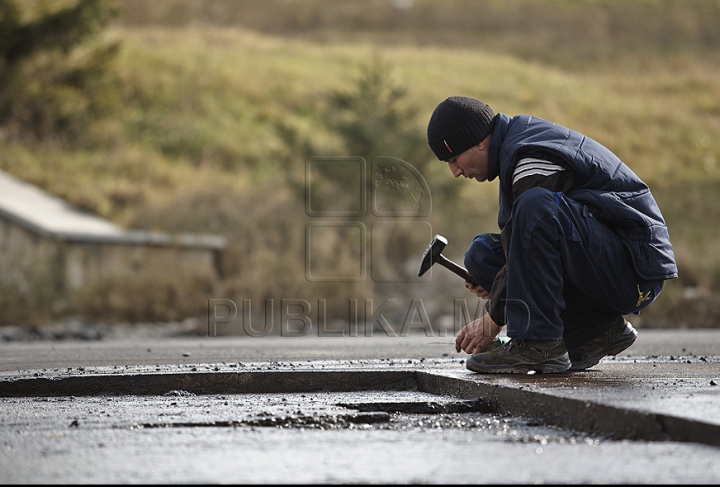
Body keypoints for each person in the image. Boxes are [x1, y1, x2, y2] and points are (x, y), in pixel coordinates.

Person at [426, 96, 678, 373]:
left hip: (635, 270)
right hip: (603, 259)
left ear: (479, 141)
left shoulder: (529, 157)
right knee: (483, 255)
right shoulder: (513, 153)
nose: (455, 172)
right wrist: (497, 284)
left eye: (454, 158)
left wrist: (493, 318)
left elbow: (536, 225)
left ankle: (540, 343)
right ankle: (595, 333)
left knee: (535, 206)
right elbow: (524, 249)